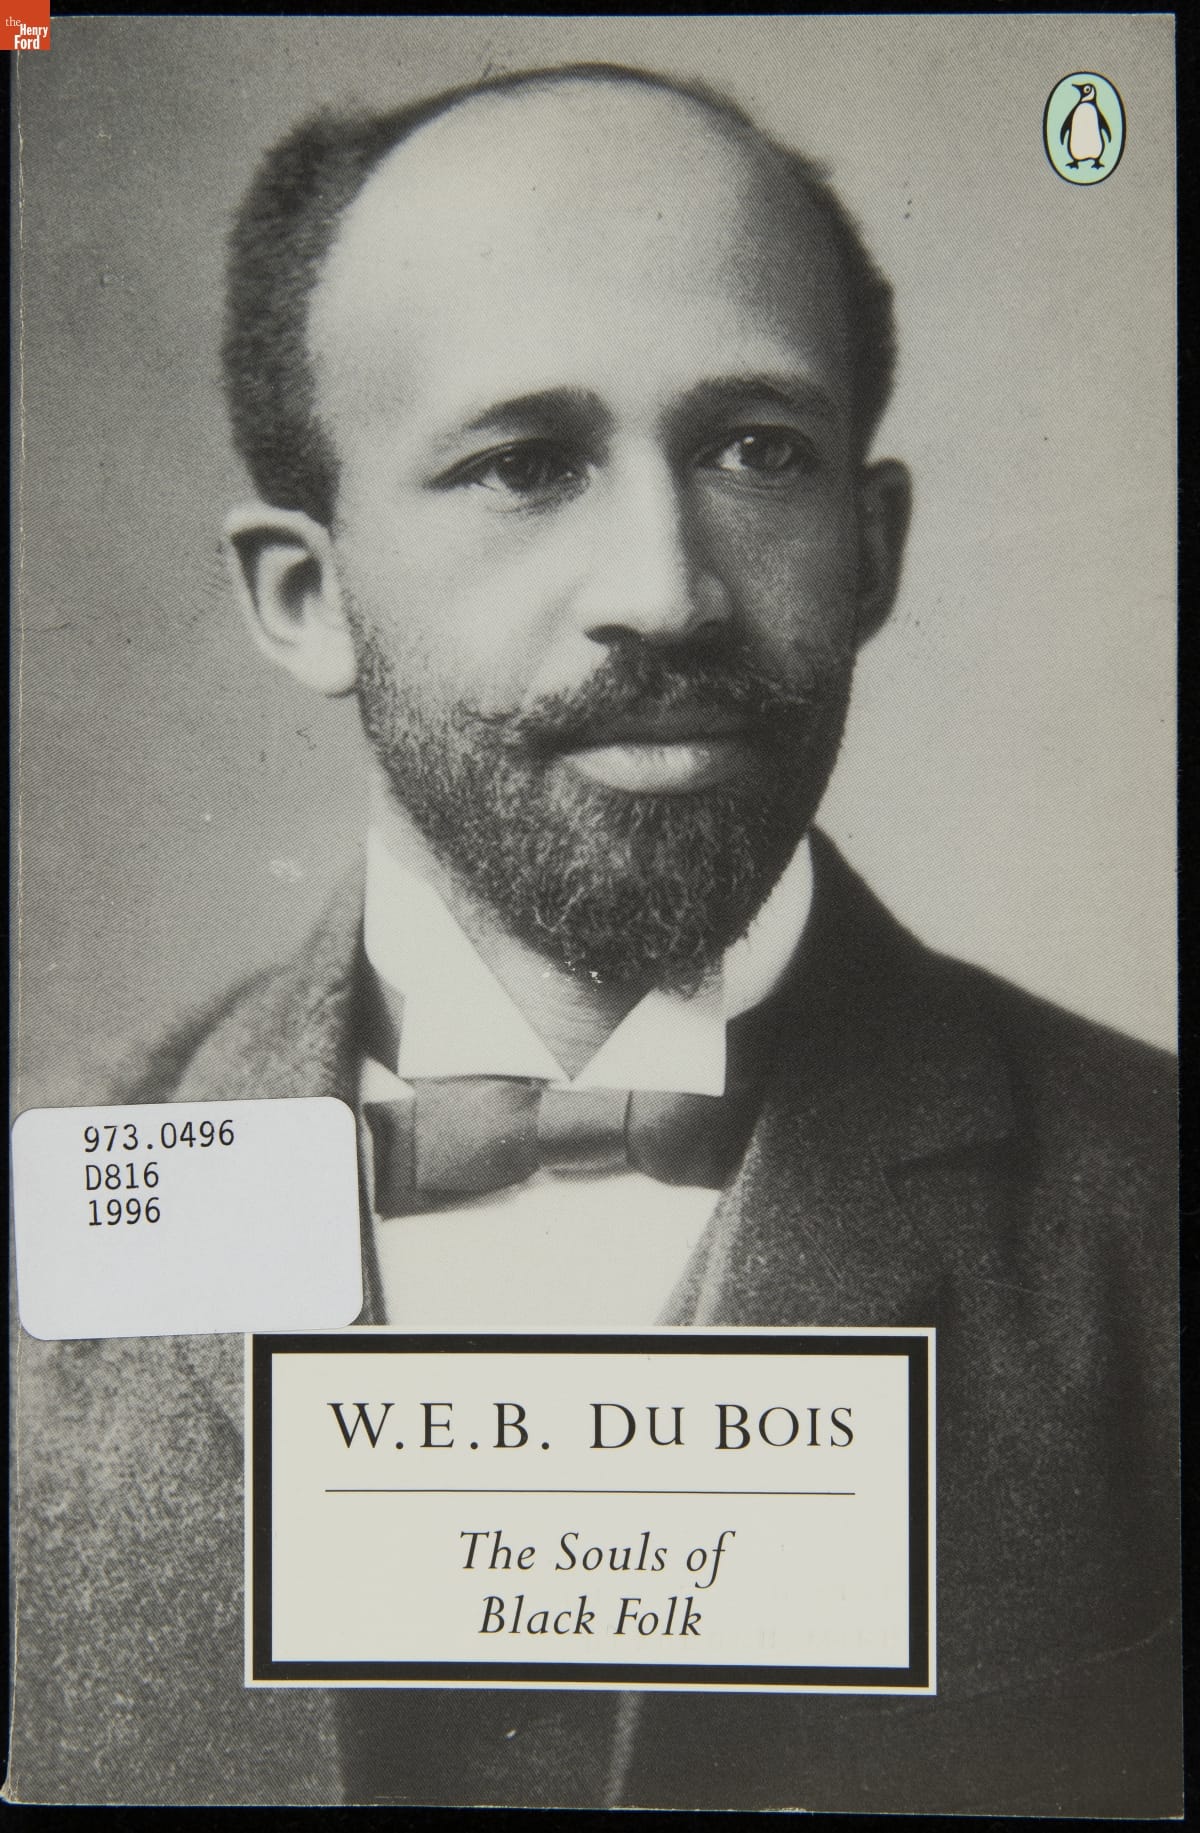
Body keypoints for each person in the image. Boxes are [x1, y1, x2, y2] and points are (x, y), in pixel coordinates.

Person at [8, 64, 1179, 1813]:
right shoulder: (43, 1222)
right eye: (525, 465)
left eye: (757, 449)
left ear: (871, 549)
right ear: (306, 597)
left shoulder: (1152, 1210)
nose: (666, 588)